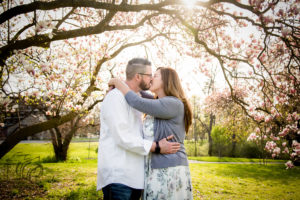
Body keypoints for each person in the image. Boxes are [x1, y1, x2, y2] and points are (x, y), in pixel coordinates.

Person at [97, 58, 181, 200]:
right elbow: (122, 137)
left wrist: (117, 82)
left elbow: (146, 101)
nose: (152, 78)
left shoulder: (137, 98)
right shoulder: (115, 97)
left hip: (136, 179)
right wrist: (157, 147)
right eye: (150, 75)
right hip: (119, 177)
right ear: (138, 76)